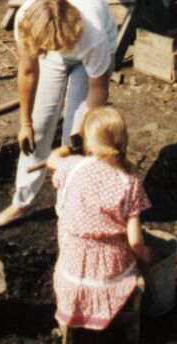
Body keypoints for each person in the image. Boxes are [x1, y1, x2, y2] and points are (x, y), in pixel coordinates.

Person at [0, 0, 119, 229]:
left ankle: (68, 209)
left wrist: (77, 139)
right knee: (38, 127)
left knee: (75, 138)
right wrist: (24, 123)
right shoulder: (27, 21)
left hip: (84, 52)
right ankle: (23, 203)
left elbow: (98, 89)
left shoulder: (94, 36)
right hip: (55, 46)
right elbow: (28, 72)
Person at [48, 106, 154, 337]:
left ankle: (72, 319)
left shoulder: (73, 166)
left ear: (88, 143)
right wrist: (147, 255)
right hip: (111, 272)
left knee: (64, 224)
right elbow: (135, 242)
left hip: (73, 266)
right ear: (124, 141)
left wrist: (70, 147)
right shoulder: (130, 183)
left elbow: (52, 158)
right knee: (131, 255)